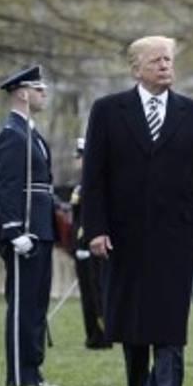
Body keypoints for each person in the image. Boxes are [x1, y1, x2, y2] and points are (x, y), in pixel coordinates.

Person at [82, 36, 193, 386]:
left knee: (171, 316)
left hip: (177, 233)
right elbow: (94, 177)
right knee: (132, 316)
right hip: (124, 235)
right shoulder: (108, 111)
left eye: (169, 60)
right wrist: (95, 229)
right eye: (157, 60)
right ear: (136, 68)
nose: (165, 66)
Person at [0, 65, 57, 386]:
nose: (44, 94)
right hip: (26, 231)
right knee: (22, 304)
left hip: (41, 228)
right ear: (22, 93)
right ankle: (19, 375)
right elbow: (7, 186)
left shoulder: (29, 132)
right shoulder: (11, 134)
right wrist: (14, 230)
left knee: (37, 304)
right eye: (39, 89)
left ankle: (33, 371)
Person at [69, 138, 110, 349]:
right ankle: (92, 334)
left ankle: (102, 335)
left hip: (92, 246)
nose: (78, 161)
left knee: (97, 292)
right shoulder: (81, 184)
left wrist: (85, 243)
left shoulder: (94, 184)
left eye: (81, 157)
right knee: (87, 293)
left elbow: (90, 217)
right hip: (81, 247)